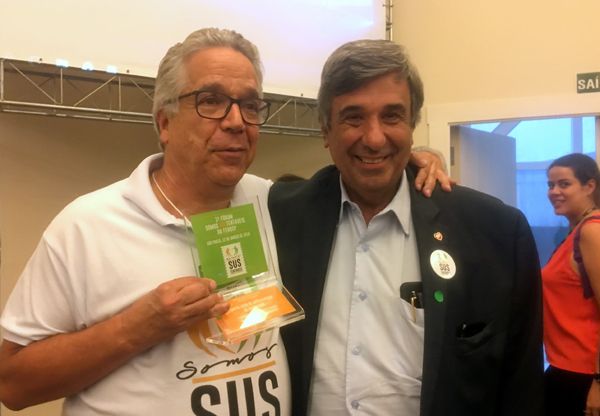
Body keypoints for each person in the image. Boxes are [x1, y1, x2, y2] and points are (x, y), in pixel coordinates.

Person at [0, 29, 448, 415]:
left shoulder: (274, 204)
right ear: (164, 122)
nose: (236, 122)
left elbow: (362, 166)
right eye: (211, 101)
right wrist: (137, 327)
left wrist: (413, 159)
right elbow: (12, 383)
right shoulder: (88, 226)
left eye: (250, 105)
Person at [268, 39, 544, 415]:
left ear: (413, 125)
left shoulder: (496, 233)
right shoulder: (278, 216)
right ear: (325, 130)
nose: (374, 138)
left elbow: (521, 388)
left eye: (392, 116)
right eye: (353, 117)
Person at [543, 153, 600, 416]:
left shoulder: (592, 231)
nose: (554, 191)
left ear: (589, 186)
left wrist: (598, 382)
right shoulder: (575, 231)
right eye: (550, 185)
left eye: (564, 184)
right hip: (565, 368)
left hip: (584, 374)